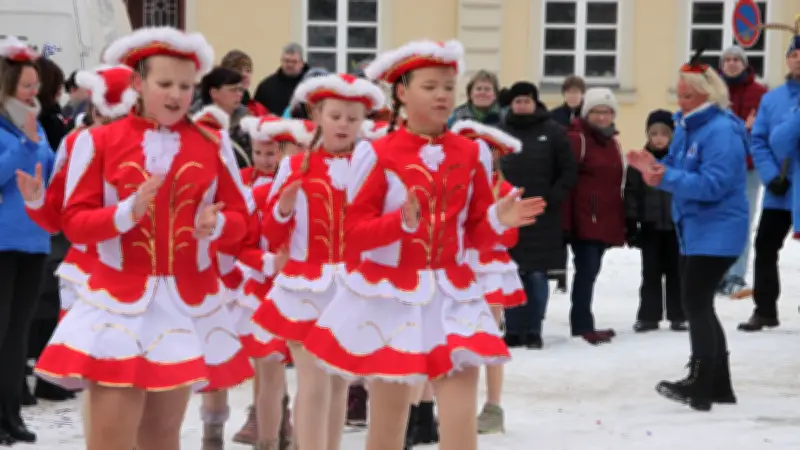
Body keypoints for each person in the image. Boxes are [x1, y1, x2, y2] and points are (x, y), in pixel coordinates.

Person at [302, 39, 545, 450]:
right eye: (430, 86)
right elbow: (353, 233)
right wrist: (400, 224)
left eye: (449, 87)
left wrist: (496, 221)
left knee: (460, 424)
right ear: (402, 92)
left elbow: (476, 234)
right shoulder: (377, 153)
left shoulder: (471, 153)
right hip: (393, 297)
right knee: (387, 427)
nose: (442, 95)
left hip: (454, 296)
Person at [32, 26, 254, 450]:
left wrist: (218, 226)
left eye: (186, 86)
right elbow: (74, 223)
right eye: (164, 83)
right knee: (110, 437)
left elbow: (244, 223)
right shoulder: (98, 141)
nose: (176, 95)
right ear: (137, 82)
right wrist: (124, 213)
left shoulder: (211, 145)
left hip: (183, 305)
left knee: (162, 437)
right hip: (117, 303)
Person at [251, 73, 385, 450]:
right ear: (318, 115)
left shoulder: (372, 169)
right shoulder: (294, 167)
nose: (344, 124)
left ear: (363, 122)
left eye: (353, 117)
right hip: (305, 286)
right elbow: (271, 234)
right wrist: (284, 208)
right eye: (336, 115)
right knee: (312, 383)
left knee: (339, 381)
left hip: (353, 287)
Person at [628, 53, 747, 412]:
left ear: (708, 95)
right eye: (678, 94)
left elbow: (714, 185)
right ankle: (718, 385)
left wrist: (666, 176)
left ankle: (700, 382)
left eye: (688, 96)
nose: (680, 102)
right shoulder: (688, 126)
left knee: (694, 302)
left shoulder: (721, 130)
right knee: (700, 304)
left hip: (718, 229)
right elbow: (678, 169)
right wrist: (653, 167)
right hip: (697, 229)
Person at [228, 115, 311, 449]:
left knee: (312, 378)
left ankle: (299, 436)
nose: (269, 160)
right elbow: (240, 246)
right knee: (268, 373)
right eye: (260, 153)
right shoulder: (256, 194)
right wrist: (268, 262)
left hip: (308, 291)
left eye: (275, 153)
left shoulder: (318, 188)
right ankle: (267, 439)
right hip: (265, 293)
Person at [451, 118, 525, 435]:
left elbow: (511, 238)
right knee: (454, 337)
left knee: (490, 336)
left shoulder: (505, 190)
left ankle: (493, 406)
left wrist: (496, 218)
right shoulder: (453, 186)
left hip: (490, 268)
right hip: (457, 266)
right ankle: (454, 406)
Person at [0, 36, 55, 446]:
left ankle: (11, 414)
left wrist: (38, 143)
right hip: (2, 242)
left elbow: (48, 173)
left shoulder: (33, 124)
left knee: (17, 333)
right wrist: (26, 143)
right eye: (26, 87)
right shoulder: (12, 130)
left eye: (36, 86)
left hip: (34, 241)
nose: (34, 93)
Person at [499, 81, 577, 349]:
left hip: (543, 216)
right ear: (511, 104)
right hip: (507, 215)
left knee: (536, 275)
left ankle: (533, 329)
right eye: (518, 101)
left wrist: (552, 199)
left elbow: (568, 170)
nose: (522, 105)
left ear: (535, 102)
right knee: (510, 273)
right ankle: (512, 328)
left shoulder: (553, 131)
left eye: (527, 100)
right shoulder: (499, 132)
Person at [736, 37, 800, 332]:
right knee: (765, 246)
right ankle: (764, 309)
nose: (798, 59)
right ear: (787, 59)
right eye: (795, 54)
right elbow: (759, 140)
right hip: (782, 187)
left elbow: (781, 138)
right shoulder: (772, 100)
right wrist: (771, 175)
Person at [562, 87, 625, 345]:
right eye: (598, 111)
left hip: (603, 218)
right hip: (584, 218)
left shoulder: (611, 141)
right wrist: (567, 222)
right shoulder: (578, 139)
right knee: (586, 271)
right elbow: (567, 180)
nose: (603, 117)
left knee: (591, 271)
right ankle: (581, 324)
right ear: (588, 113)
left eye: (608, 112)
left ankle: (584, 321)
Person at [624, 109, 686, 333]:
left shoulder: (679, 161)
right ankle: (648, 315)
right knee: (650, 272)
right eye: (654, 133)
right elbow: (631, 194)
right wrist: (632, 223)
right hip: (649, 226)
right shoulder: (639, 162)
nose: (659, 138)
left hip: (675, 226)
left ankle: (679, 314)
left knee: (676, 272)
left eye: (664, 134)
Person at [717, 45, 767, 296]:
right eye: (727, 60)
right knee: (718, 221)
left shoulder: (760, 92)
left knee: (742, 222)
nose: (732, 63)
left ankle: (736, 275)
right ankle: (719, 274)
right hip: (718, 168)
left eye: (737, 59)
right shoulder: (714, 92)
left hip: (749, 167)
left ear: (745, 64)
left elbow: (765, 127)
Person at [194, 66, 252, 167]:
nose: (239, 94)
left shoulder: (247, 123)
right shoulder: (201, 124)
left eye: (241, 90)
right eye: (233, 90)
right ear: (214, 93)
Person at [254, 42, 310, 115]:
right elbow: (256, 112)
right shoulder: (266, 86)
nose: (290, 65)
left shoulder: (311, 85)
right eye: (286, 61)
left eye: (294, 61)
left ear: (302, 63)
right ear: (281, 61)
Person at [220, 49, 270, 117]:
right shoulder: (214, 105)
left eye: (248, 71)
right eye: (239, 70)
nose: (245, 75)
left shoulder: (258, 109)